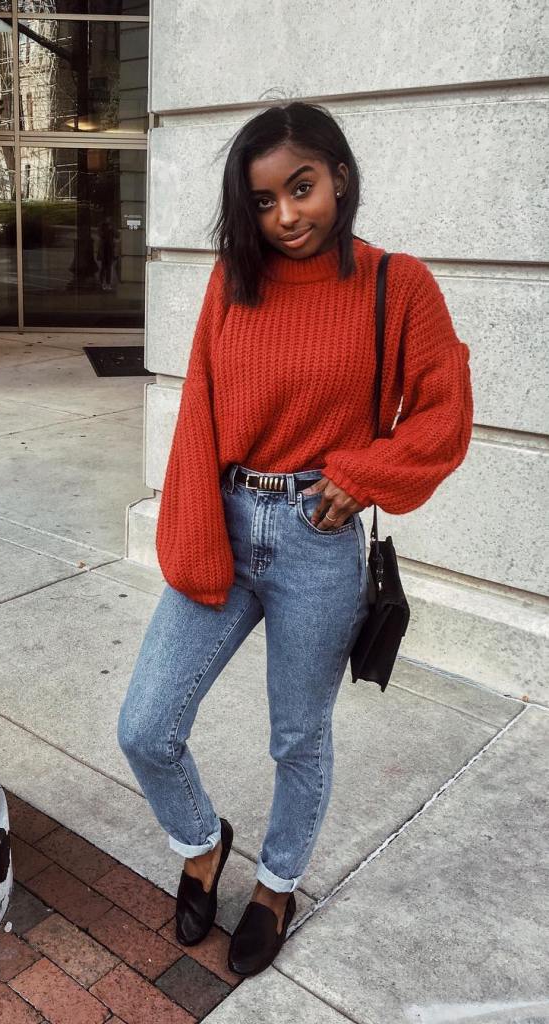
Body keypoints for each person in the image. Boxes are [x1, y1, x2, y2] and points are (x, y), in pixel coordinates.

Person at [116, 101, 473, 978]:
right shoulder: (233, 280)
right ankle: (203, 845)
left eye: (302, 188)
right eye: (265, 201)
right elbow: (198, 404)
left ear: (339, 177)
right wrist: (195, 533)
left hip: (319, 536)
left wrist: (363, 476)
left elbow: (444, 415)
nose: (286, 217)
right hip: (227, 519)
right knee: (147, 726)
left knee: (297, 737)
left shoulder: (399, 284)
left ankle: (276, 881)